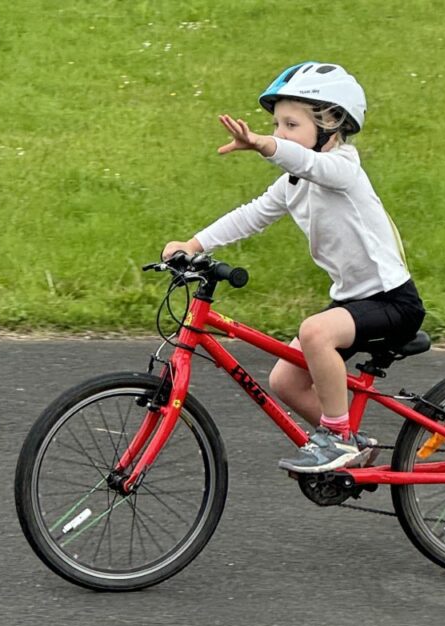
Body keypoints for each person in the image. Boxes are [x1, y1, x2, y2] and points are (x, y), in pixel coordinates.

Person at [162, 62, 425, 473]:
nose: (281, 133)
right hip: (351, 302)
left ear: (330, 126)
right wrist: (192, 245)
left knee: (314, 332)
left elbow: (312, 165)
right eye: (277, 124)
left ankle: (337, 439)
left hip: (393, 302)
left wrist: (265, 144)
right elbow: (251, 215)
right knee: (285, 379)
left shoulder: (343, 170)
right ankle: (355, 445)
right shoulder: (292, 183)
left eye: (291, 124)